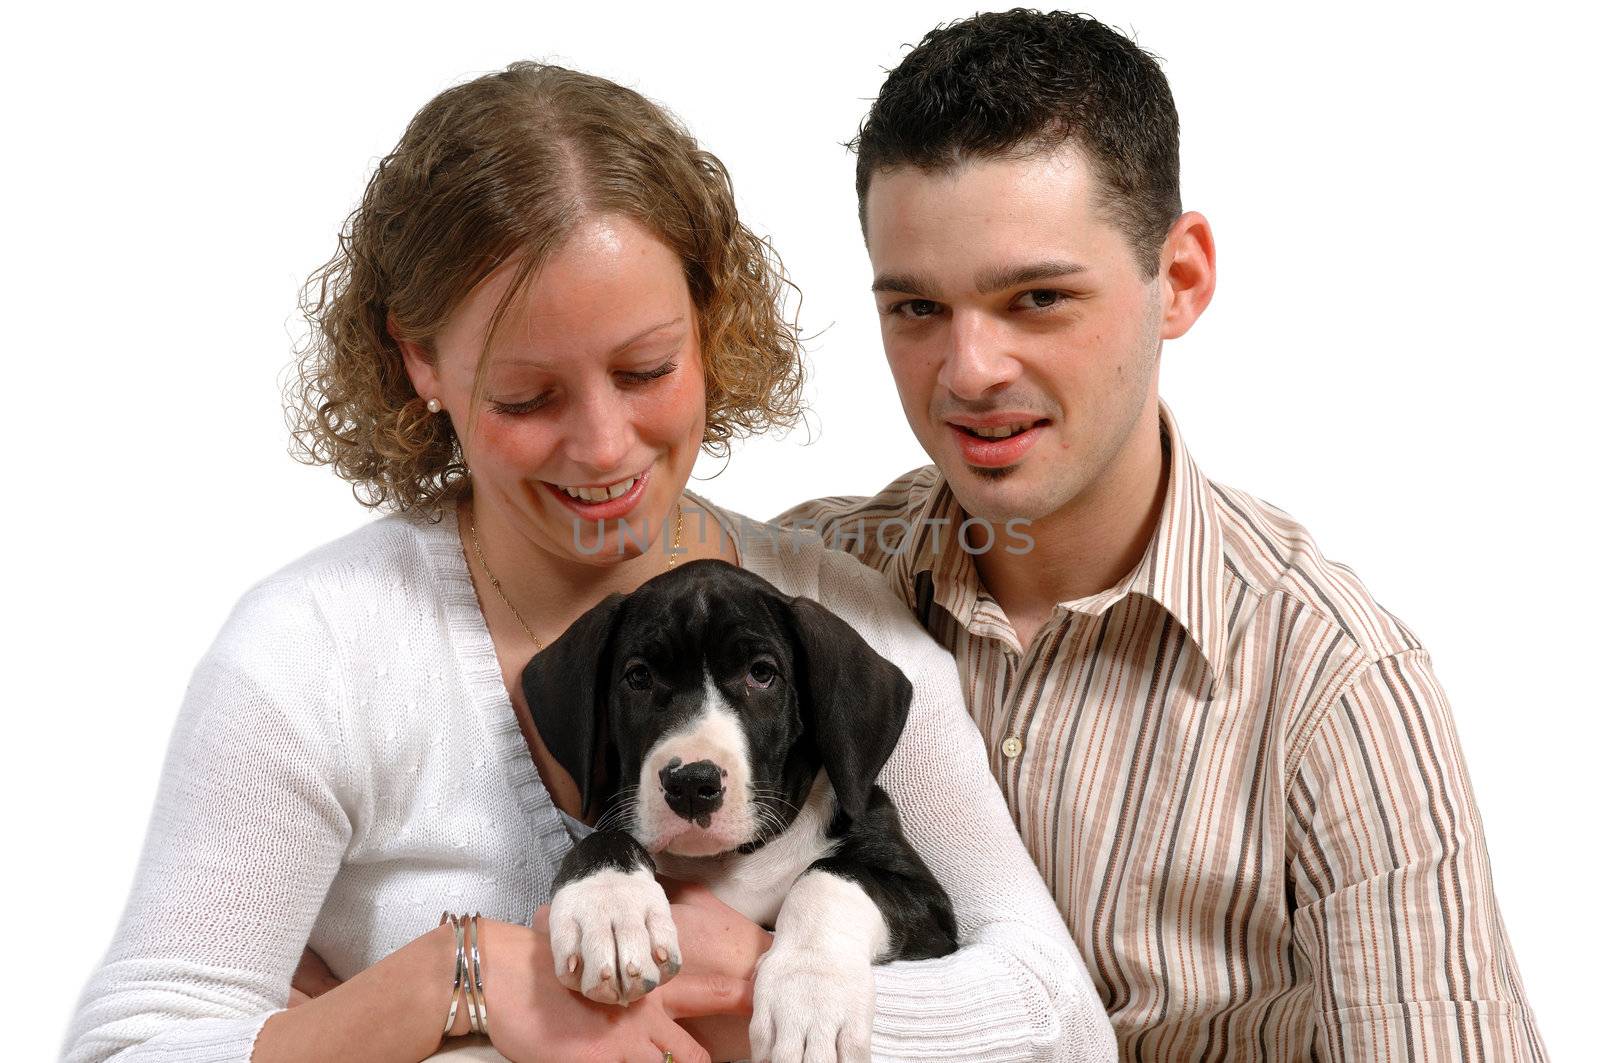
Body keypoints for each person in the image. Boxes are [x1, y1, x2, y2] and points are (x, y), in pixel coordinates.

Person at [60, 62, 1116, 1063]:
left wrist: (752, 983)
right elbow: (133, 1043)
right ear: (417, 359)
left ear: (710, 325)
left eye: (646, 367)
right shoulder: (318, 652)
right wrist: (453, 981)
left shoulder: (835, 614)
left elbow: (1061, 1018)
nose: (604, 446)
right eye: (527, 397)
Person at [776, 10, 1547, 1062]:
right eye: (916, 309)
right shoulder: (803, 585)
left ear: (1178, 279)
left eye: (1036, 298)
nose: (968, 371)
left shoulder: (1335, 685)